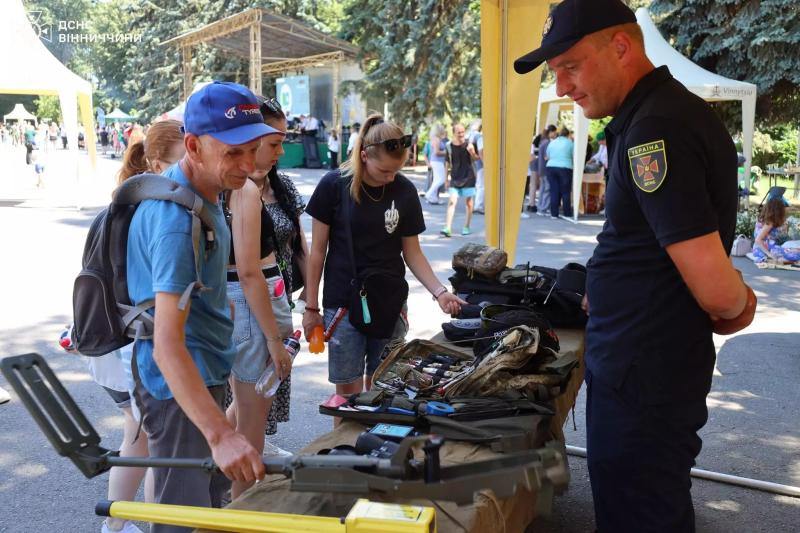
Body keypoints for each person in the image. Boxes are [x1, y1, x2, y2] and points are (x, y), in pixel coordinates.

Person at [514, 0, 757, 531]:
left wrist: (740, 303)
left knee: (642, 511)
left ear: (620, 46)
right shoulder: (645, 116)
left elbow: (717, 291)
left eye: (570, 66)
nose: (563, 88)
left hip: (646, 375)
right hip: (637, 367)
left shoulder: (656, 129)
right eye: (556, 73)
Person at [126, 81, 272, 532]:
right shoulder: (174, 221)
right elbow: (168, 346)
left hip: (202, 373)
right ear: (192, 145)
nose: (248, 166)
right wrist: (222, 434)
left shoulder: (201, 193)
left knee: (205, 508)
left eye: (253, 149)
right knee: (179, 519)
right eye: (232, 153)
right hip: (175, 390)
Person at [302, 114, 465, 411]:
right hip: (343, 304)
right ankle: (348, 455)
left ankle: (376, 451)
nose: (391, 178)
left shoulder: (403, 190)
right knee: (348, 398)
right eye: (384, 170)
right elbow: (317, 253)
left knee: (384, 390)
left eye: (396, 171)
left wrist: (440, 292)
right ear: (364, 156)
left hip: (390, 303)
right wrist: (311, 308)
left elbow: (412, 252)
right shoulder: (333, 185)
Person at [92, 119, 186, 533]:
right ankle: (125, 526)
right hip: (136, 342)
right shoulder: (149, 210)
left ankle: (118, 527)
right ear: (154, 161)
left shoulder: (128, 203)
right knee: (150, 443)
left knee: (142, 439)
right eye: (180, 163)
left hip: (122, 340)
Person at [222, 96, 305, 499]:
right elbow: (251, 269)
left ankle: (225, 498)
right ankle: (241, 508)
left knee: (241, 413)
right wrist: (275, 339)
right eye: (275, 142)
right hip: (257, 304)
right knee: (251, 432)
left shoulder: (231, 184)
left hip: (252, 301)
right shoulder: (247, 190)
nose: (280, 151)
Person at [441, 123, 478, 236]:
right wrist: (446, 179)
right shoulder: (449, 146)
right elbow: (447, 163)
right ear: (454, 133)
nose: (461, 134)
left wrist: (472, 152)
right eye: (459, 132)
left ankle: (466, 226)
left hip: (469, 176)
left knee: (469, 202)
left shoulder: (469, 144)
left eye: (463, 132)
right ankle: (447, 227)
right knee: (452, 201)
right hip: (455, 177)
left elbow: (476, 158)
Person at [545, 127, 574, 219]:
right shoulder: (570, 143)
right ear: (568, 134)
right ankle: (567, 213)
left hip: (551, 167)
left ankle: (554, 214)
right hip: (565, 168)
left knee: (554, 190)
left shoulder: (552, 142)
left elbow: (548, 155)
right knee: (565, 191)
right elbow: (574, 156)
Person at [753, 196, 790, 263]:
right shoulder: (769, 223)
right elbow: (758, 240)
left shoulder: (766, 220)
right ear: (777, 211)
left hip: (760, 248)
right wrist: (769, 254)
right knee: (791, 252)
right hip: (764, 250)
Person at [424, 123, 448, 205]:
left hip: (436, 161)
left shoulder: (434, 138)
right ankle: (429, 194)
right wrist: (446, 152)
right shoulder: (436, 139)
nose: (443, 131)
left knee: (436, 180)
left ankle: (433, 198)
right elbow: (436, 152)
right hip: (437, 161)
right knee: (441, 179)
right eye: (441, 130)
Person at [535, 125, 557, 215]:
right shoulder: (547, 142)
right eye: (554, 132)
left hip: (541, 168)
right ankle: (543, 208)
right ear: (551, 132)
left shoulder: (542, 141)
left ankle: (540, 207)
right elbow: (546, 157)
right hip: (546, 168)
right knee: (547, 189)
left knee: (543, 189)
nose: (555, 134)